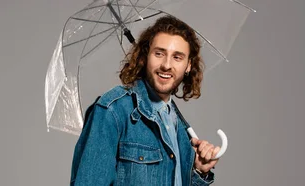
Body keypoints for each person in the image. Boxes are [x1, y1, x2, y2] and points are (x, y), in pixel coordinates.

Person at [70, 15, 221, 186]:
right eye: (159, 53)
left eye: (177, 57)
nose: (166, 65)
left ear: (188, 66)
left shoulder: (177, 125)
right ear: (145, 57)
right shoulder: (113, 110)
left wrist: (199, 171)